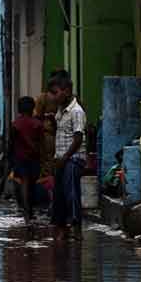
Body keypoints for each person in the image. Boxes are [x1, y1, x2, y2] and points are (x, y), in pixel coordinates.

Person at [48, 74, 87, 241]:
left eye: (55, 92)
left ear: (66, 91)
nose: (52, 96)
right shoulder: (60, 110)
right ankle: (62, 228)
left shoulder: (76, 112)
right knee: (59, 195)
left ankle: (76, 228)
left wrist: (64, 158)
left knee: (71, 194)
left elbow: (78, 139)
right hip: (61, 159)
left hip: (72, 159)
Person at [10, 96, 42, 225]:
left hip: (20, 157)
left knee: (24, 182)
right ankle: (31, 210)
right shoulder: (37, 124)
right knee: (32, 184)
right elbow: (41, 142)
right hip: (34, 158)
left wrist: (11, 159)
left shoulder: (16, 124)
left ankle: (26, 211)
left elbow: (11, 142)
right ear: (32, 108)